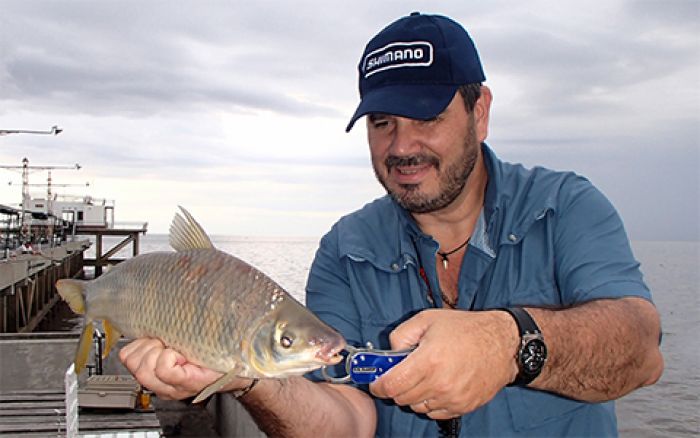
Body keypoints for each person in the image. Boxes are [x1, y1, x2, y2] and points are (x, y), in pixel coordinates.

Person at [119, 12, 663, 437]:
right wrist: (246, 380)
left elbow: (640, 349)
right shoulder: (345, 248)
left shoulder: (566, 206)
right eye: (382, 122)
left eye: (427, 117)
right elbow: (344, 422)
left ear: (480, 112)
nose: (402, 147)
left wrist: (507, 344)